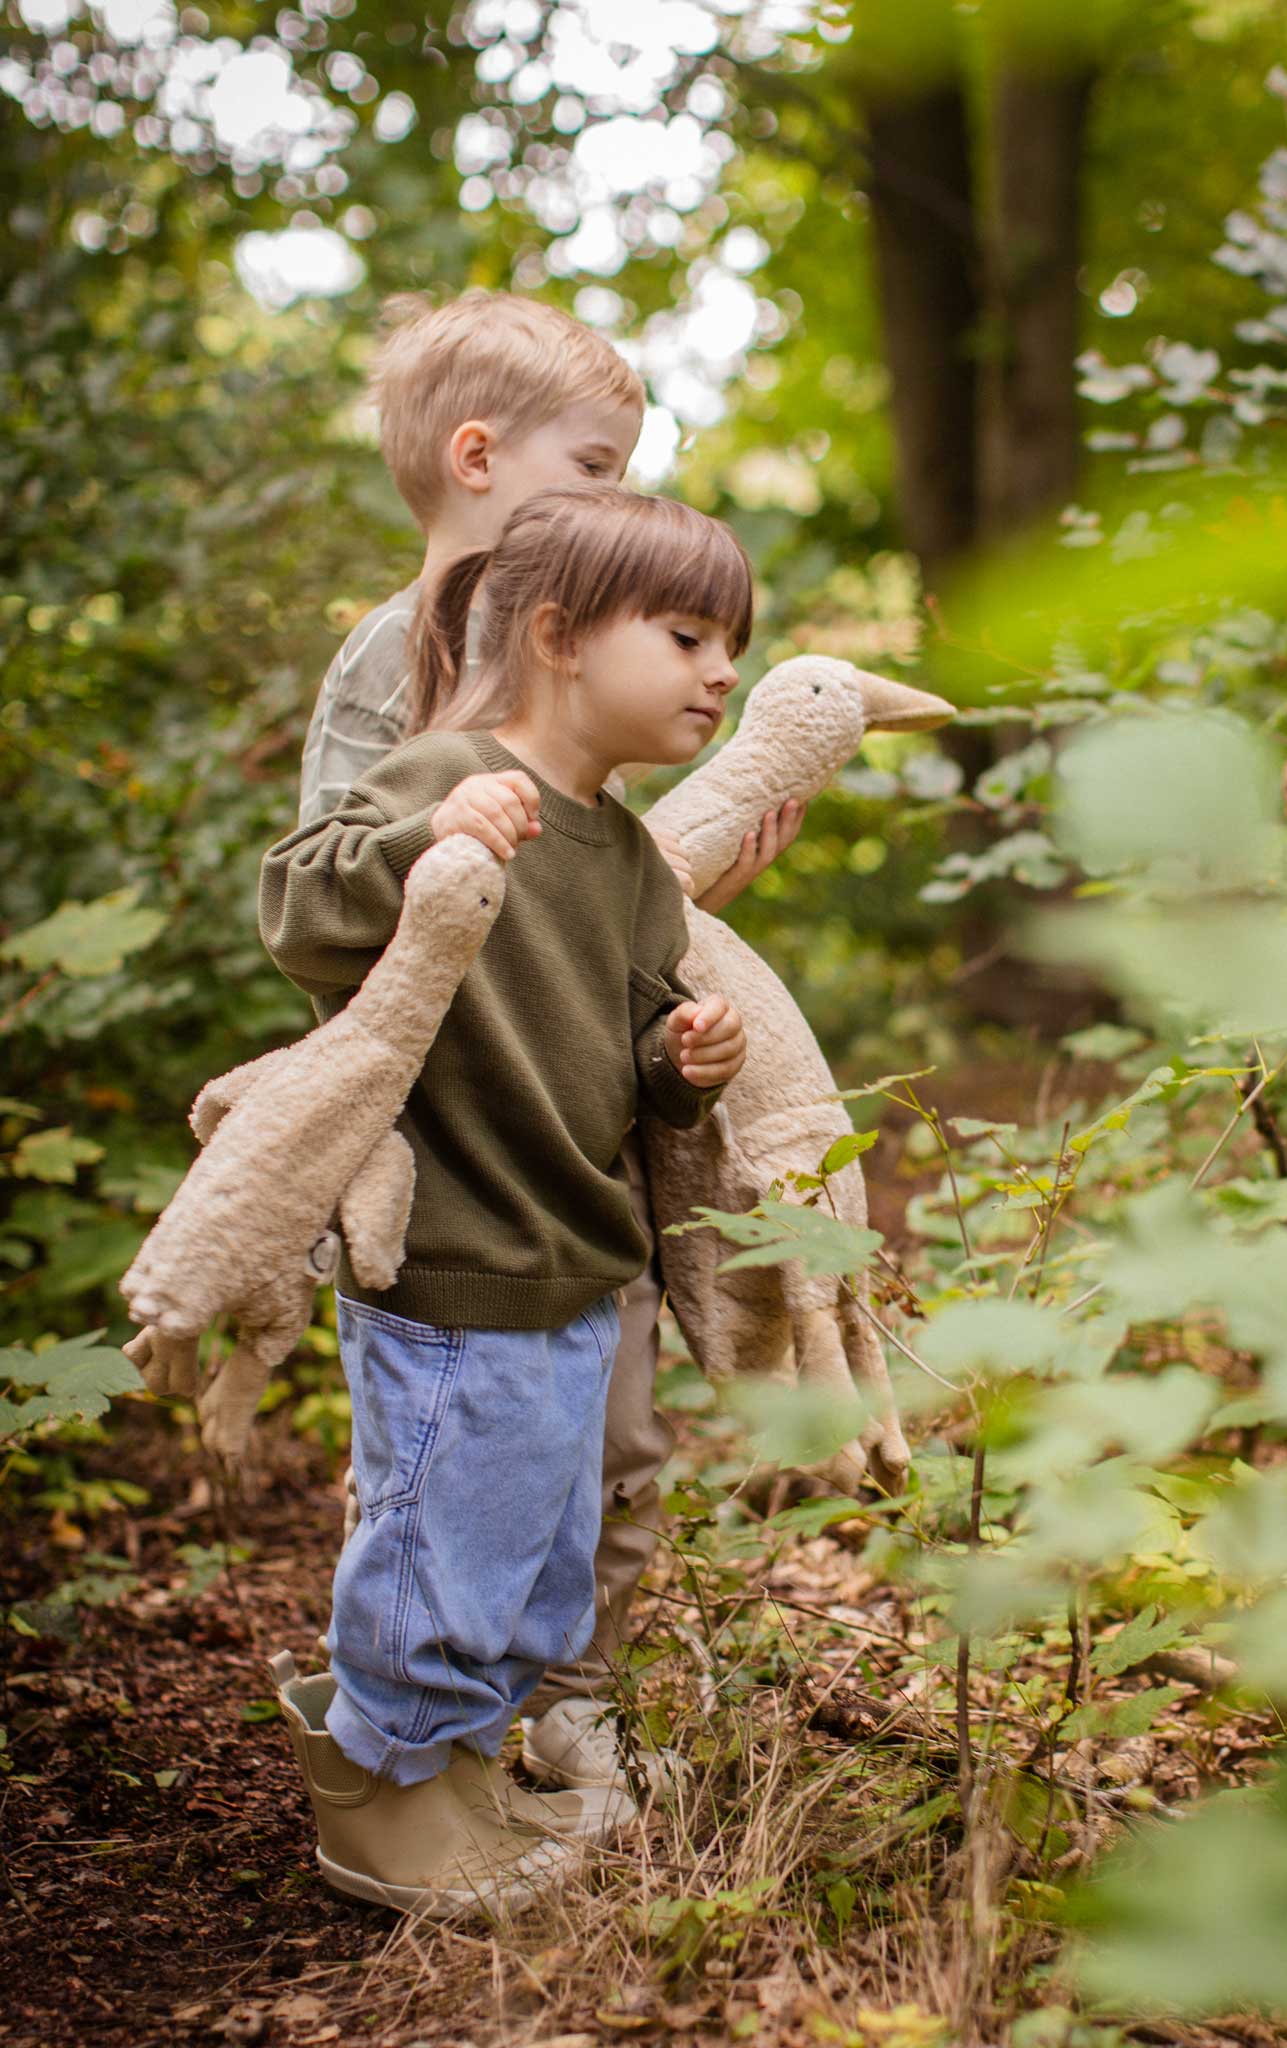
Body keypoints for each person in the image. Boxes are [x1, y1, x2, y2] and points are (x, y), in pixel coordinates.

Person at [297, 289, 803, 1799]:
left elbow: (587, 906)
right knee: (461, 1444)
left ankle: (563, 1689)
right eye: (597, 470)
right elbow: (345, 890)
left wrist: (683, 959)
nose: (625, 499)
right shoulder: (401, 661)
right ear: (475, 458)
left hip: (583, 1141)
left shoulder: (603, 680)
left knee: (607, 1432)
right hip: (455, 1147)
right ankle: (406, 1734)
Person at [259, 484, 753, 1915]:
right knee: (445, 1546)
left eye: (733, 643)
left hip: (576, 1260)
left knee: (533, 1545)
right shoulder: (443, 774)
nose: (722, 672)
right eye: (686, 635)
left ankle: (464, 1762)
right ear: (555, 634)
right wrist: (431, 841)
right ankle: (381, 1799)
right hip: (457, 1251)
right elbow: (296, 908)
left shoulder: (631, 860)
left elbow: (641, 1054)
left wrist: (685, 1057)